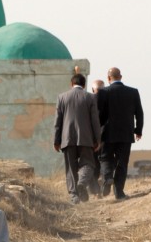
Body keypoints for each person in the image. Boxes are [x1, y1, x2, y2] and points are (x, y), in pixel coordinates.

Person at [53, 72, 101, 204]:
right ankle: (82, 182)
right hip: (86, 138)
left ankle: (74, 196)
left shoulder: (62, 97)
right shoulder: (90, 98)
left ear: (71, 84)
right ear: (84, 85)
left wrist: (56, 140)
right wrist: (98, 139)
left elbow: (58, 121)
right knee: (88, 164)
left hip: (67, 138)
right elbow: (95, 121)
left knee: (70, 167)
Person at [96, 67, 144, 200]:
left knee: (105, 158)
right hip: (126, 134)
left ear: (108, 78)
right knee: (122, 163)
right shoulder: (133, 92)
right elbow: (139, 113)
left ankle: (107, 178)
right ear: (121, 77)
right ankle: (119, 193)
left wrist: (97, 133)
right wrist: (138, 130)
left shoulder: (103, 92)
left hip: (107, 133)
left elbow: (99, 115)